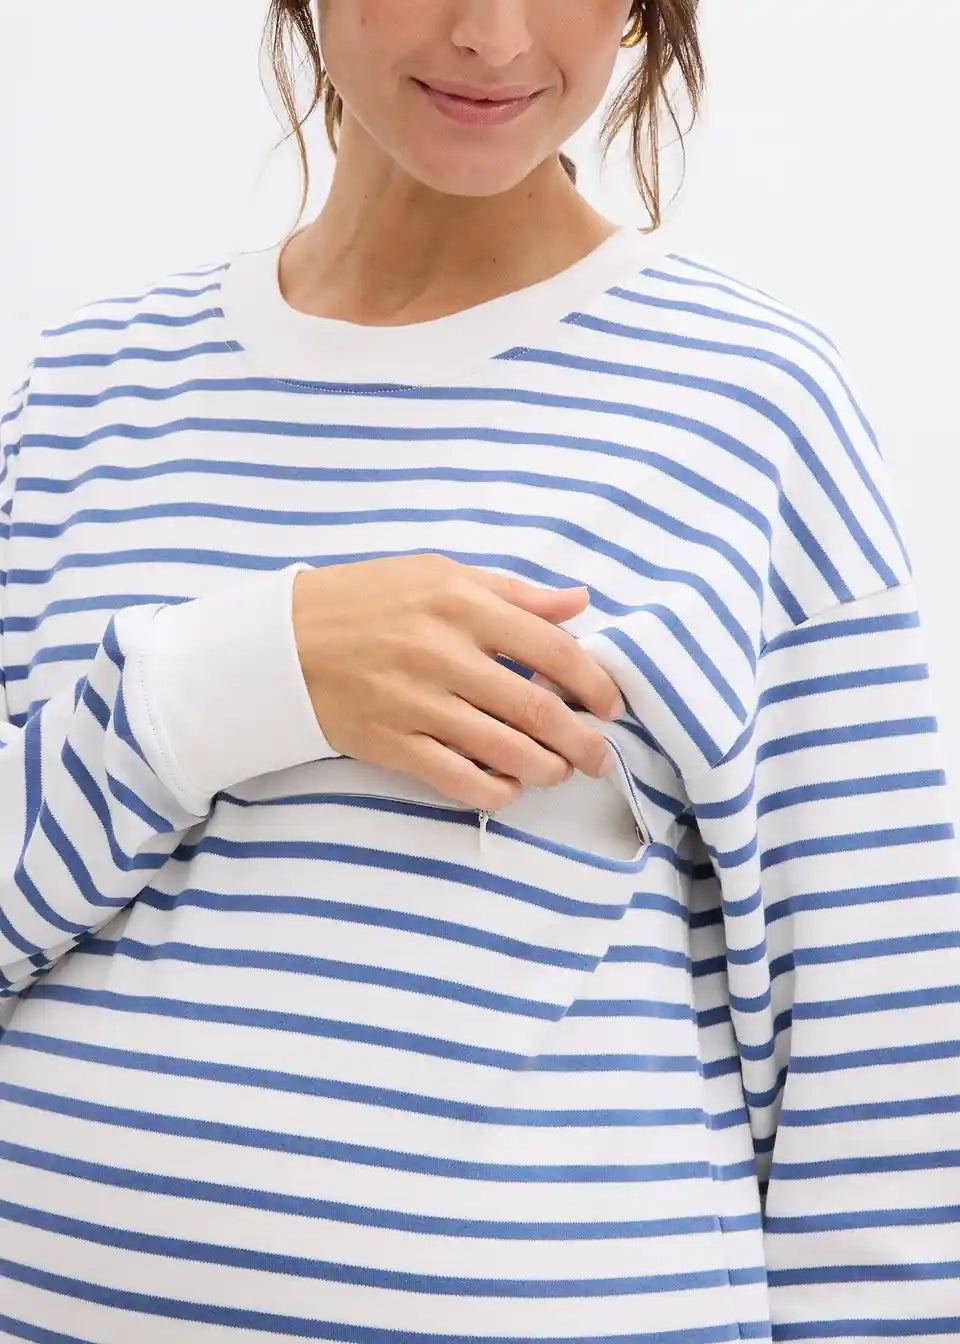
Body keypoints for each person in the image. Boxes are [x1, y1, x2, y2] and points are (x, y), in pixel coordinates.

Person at [1, 0, 958, 1339]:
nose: (495, 38)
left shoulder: (752, 402)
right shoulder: (85, 394)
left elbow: (873, 1071)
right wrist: (238, 674)